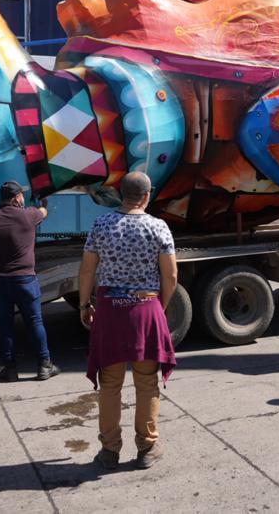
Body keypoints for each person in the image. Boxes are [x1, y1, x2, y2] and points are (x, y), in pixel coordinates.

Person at [78, 171, 177, 471]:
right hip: (146, 309)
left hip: (109, 310)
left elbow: (87, 271)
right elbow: (171, 276)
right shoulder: (158, 227)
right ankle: (146, 447)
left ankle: (109, 451)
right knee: (146, 382)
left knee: (110, 384)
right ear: (148, 195)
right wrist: (159, 306)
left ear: (122, 194)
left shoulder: (101, 225)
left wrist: (84, 304)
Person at [0, 180, 59, 383]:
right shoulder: (29, 215)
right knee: (35, 321)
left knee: (5, 324)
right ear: (17, 197)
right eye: (22, 196)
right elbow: (43, 212)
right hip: (25, 280)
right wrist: (44, 201)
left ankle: (10, 369)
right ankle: (44, 365)